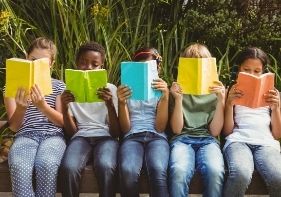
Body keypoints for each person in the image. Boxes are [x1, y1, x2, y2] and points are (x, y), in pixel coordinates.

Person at [5, 37, 66, 196]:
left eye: (43, 62)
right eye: (33, 60)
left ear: (51, 64)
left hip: (53, 136)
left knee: (47, 164)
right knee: (19, 166)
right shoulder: (11, 87)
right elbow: (13, 127)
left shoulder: (59, 86)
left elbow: (62, 122)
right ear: (27, 58)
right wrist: (21, 108)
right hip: (25, 135)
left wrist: (43, 107)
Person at [60, 41, 120, 197]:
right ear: (76, 64)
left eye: (95, 64)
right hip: (81, 138)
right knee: (69, 167)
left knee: (106, 166)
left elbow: (115, 132)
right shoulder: (69, 91)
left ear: (102, 66)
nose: (88, 68)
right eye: (83, 63)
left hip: (106, 138)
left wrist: (109, 105)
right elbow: (72, 133)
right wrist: (65, 108)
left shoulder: (111, 89)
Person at [168, 43, 225, 197]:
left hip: (208, 140)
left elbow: (214, 131)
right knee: (179, 171)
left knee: (215, 171)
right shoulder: (177, 90)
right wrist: (178, 100)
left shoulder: (215, 90)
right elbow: (176, 130)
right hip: (182, 139)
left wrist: (221, 101)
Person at [223, 47, 281, 197]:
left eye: (257, 71)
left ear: (264, 72)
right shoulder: (232, 90)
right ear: (238, 70)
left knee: (278, 177)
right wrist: (229, 104)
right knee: (240, 174)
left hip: (266, 143)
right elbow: (227, 131)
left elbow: (277, 134)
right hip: (238, 141)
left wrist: (276, 109)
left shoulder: (273, 94)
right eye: (246, 70)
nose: (252, 75)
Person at [117, 47, 170, 197]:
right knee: (128, 170)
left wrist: (165, 97)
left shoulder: (162, 90)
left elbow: (160, 128)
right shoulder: (126, 90)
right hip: (132, 136)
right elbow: (125, 128)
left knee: (158, 169)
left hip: (157, 137)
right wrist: (121, 103)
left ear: (157, 67)